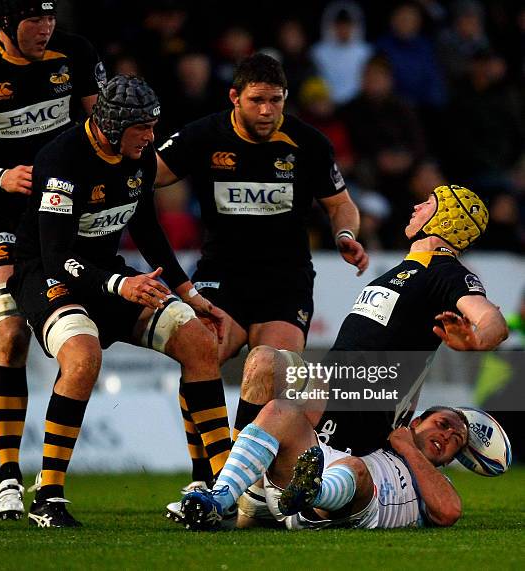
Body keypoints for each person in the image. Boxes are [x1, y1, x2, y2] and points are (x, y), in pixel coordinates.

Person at [8, 74, 232, 528]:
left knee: (198, 340)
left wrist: (188, 293)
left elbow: (146, 228)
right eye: (142, 129)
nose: (151, 138)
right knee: (83, 357)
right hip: (50, 276)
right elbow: (55, 257)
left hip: (108, 274)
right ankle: (47, 496)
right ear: (111, 126)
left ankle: (219, 482)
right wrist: (119, 286)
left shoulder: (141, 157)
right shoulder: (62, 160)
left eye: (153, 126)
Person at [155, 53, 368, 490]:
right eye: (257, 101)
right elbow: (144, 173)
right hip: (221, 274)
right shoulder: (203, 135)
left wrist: (345, 234)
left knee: (273, 370)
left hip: (284, 279)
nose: (267, 111)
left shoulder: (308, 143)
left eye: (276, 100)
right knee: (201, 355)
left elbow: (340, 203)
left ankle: (241, 479)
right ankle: (207, 474)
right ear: (235, 97)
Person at [0, 0, 105, 520]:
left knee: (81, 340)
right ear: (6, 23)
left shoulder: (75, 54)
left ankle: (50, 481)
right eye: (34, 19)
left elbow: (102, 130)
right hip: (4, 215)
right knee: (10, 335)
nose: (46, 28)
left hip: (64, 216)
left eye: (51, 17)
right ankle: (8, 479)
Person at [220, 184, 507, 460]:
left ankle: (233, 480)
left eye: (428, 203)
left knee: (265, 366)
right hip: (336, 387)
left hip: (359, 402)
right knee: (262, 364)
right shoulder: (410, 269)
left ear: (446, 220)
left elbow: (492, 320)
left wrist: (478, 341)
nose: (416, 206)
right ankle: (243, 482)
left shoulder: (446, 272)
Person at [181, 405, 471, 531]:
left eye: (454, 441)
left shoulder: (439, 481)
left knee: (356, 469)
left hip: (352, 504)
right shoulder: (384, 435)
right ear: (416, 422)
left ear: (448, 461)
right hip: (308, 482)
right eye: (443, 425)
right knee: (281, 410)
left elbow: (448, 512)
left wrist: (408, 447)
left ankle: (313, 493)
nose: (446, 436)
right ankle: (219, 500)